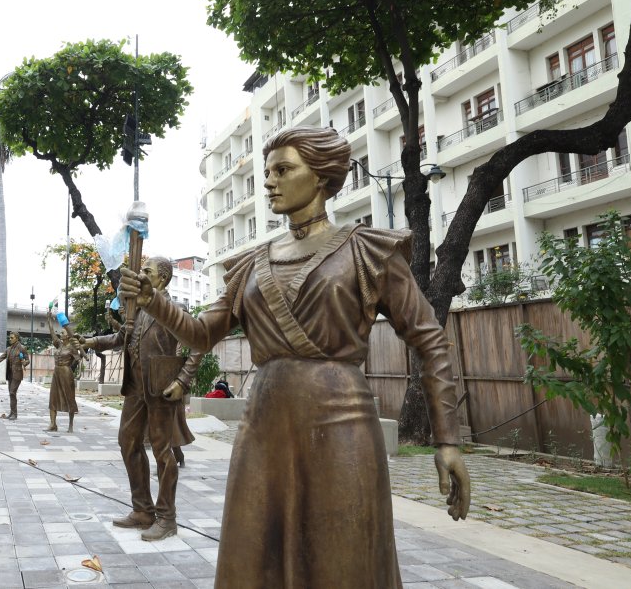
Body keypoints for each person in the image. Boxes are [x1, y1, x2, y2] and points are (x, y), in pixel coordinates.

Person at [117, 126, 470, 587]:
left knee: (341, 556)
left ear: (322, 176)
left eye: (283, 170)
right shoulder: (252, 262)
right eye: (267, 172)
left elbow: (431, 341)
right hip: (263, 424)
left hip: (341, 423)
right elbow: (203, 335)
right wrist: (153, 301)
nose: (270, 182)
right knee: (253, 554)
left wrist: (447, 439)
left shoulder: (366, 252)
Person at [80, 256, 199, 542]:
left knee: (162, 451)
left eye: (147, 271)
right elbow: (121, 336)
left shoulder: (174, 310)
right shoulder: (139, 309)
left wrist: (182, 381)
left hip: (160, 387)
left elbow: (197, 344)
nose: (141, 274)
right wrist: (92, 341)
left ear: (163, 279)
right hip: (135, 388)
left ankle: (166, 518)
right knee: (128, 443)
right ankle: (142, 510)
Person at [45, 310, 80, 433]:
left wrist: (76, 372)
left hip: (66, 372)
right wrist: (49, 320)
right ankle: (53, 424)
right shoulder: (58, 345)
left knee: (69, 397)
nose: (61, 333)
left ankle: (70, 425)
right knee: (53, 398)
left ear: (68, 335)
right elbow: (52, 334)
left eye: (63, 332)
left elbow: (78, 360)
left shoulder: (72, 347)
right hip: (56, 373)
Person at [0, 331, 28, 419]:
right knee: (11, 394)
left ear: (17, 338)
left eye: (12, 338)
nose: (10, 339)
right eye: (9, 338)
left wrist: (24, 363)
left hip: (17, 374)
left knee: (12, 392)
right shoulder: (8, 349)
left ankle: (14, 414)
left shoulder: (22, 348)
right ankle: (12, 413)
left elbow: (27, 360)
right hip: (10, 374)